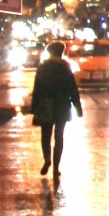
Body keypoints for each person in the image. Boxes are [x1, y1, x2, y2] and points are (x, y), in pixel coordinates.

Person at [29, 38, 83, 186]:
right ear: (62, 53)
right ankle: (56, 167)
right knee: (59, 136)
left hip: (46, 104)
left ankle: (47, 158)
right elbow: (73, 89)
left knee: (46, 135)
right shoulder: (66, 68)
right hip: (62, 106)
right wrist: (78, 108)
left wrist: (34, 107)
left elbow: (37, 89)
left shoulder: (43, 67)